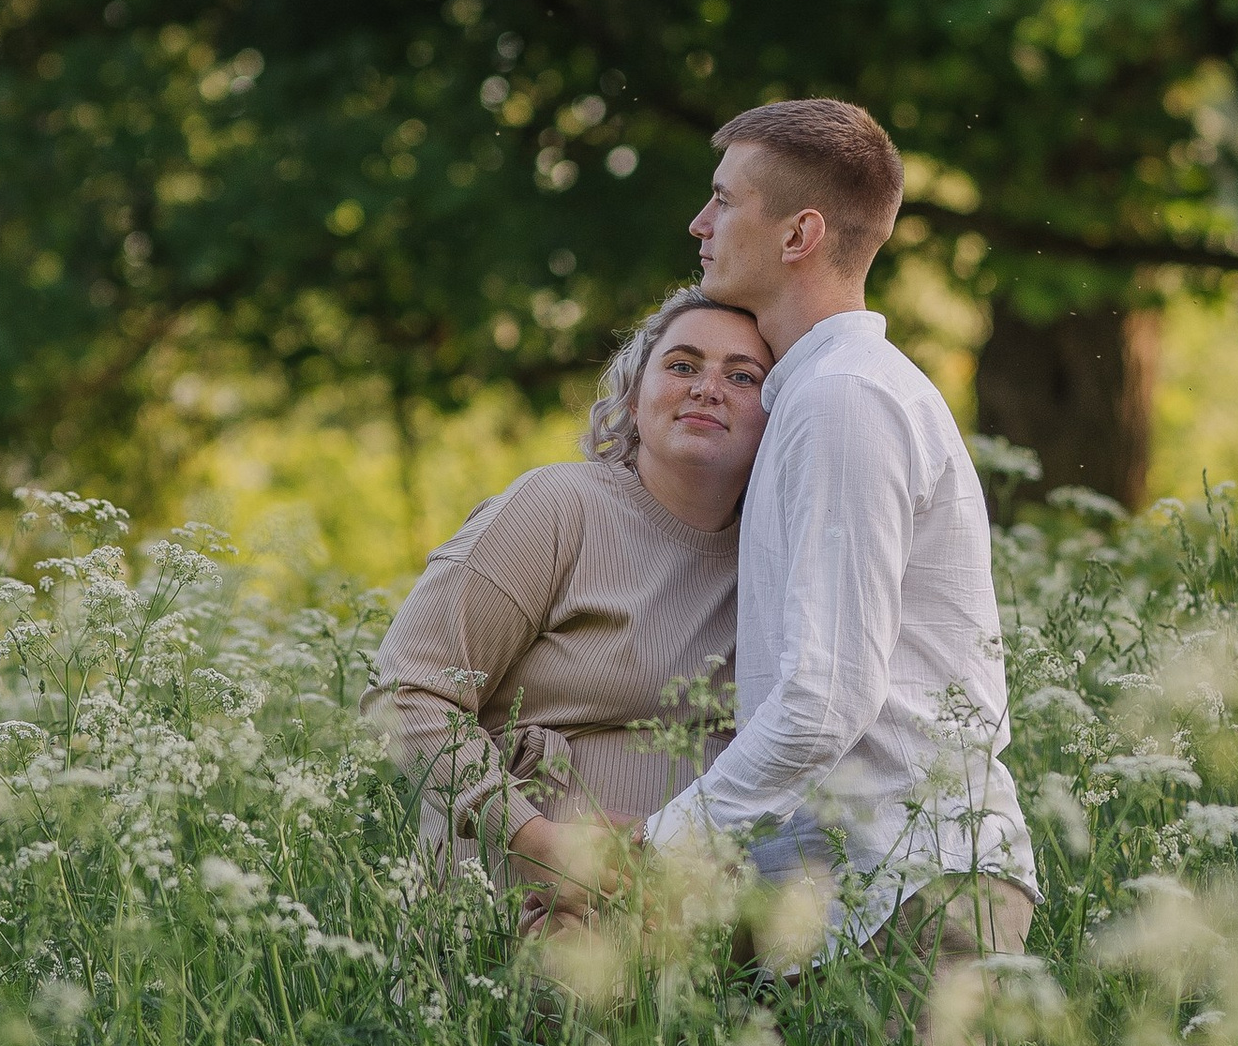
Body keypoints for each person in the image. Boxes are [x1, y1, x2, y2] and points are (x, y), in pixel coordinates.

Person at [645, 96, 1036, 975]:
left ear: (799, 235)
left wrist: (665, 842)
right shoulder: (810, 399)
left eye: (725, 200)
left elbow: (828, 699)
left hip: (912, 896)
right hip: (842, 903)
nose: (699, 223)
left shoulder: (843, 401)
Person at [367, 289, 771, 898]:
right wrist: (533, 840)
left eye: (742, 376)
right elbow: (404, 691)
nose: (707, 388)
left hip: (697, 934)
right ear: (633, 402)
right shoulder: (558, 509)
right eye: (682, 365)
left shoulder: (780, 558)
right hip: (514, 916)